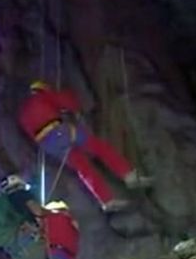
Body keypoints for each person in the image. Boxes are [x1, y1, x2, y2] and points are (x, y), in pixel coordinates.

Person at [17, 80, 153, 212]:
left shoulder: (23, 114)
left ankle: (106, 200)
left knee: (83, 168)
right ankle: (128, 175)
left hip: (48, 144)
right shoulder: (41, 96)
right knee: (99, 147)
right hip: (59, 132)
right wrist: (72, 104)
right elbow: (66, 101)